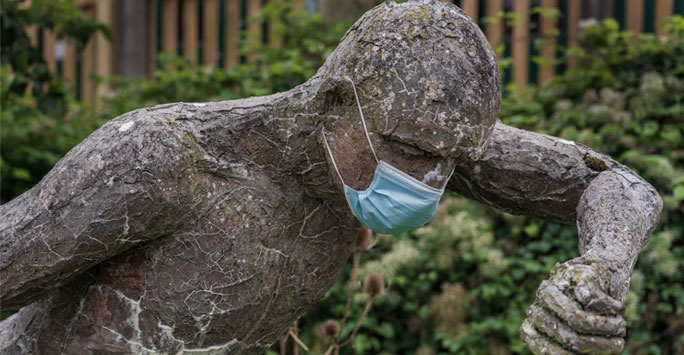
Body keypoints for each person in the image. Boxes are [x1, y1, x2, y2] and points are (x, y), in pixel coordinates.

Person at [0, 1, 661, 354]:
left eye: (453, 159)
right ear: (337, 102)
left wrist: (603, 266)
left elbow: (619, 184)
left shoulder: (418, 136)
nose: (429, 180)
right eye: (411, 152)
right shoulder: (165, 161)